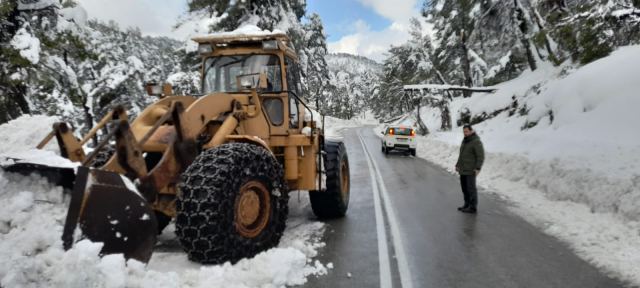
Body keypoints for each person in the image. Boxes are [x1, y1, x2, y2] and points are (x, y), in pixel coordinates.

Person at [455, 124, 484, 214]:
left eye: (466, 131)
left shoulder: (476, 141)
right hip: (463, 169)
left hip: (471, 170)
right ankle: (467, 204)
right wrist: (458, 164)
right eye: (464, 132)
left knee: (471, 188)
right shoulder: (465, 141)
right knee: (464, 188)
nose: (465, 133)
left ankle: (473, 207)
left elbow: (480, 156)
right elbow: (462, 155)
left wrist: (478, 168)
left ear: (471, 131)